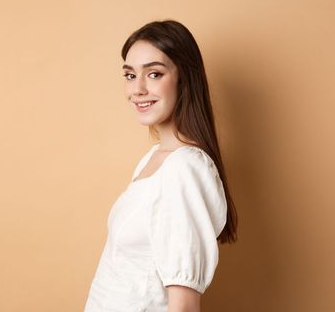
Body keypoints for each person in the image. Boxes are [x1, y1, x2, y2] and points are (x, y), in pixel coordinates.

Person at [83, 20, 238, 312]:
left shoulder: (185, 169)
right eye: (130, 75)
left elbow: (184, 305)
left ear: (185, 79)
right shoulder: (154, 158)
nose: (138, 89)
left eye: (154, 74)